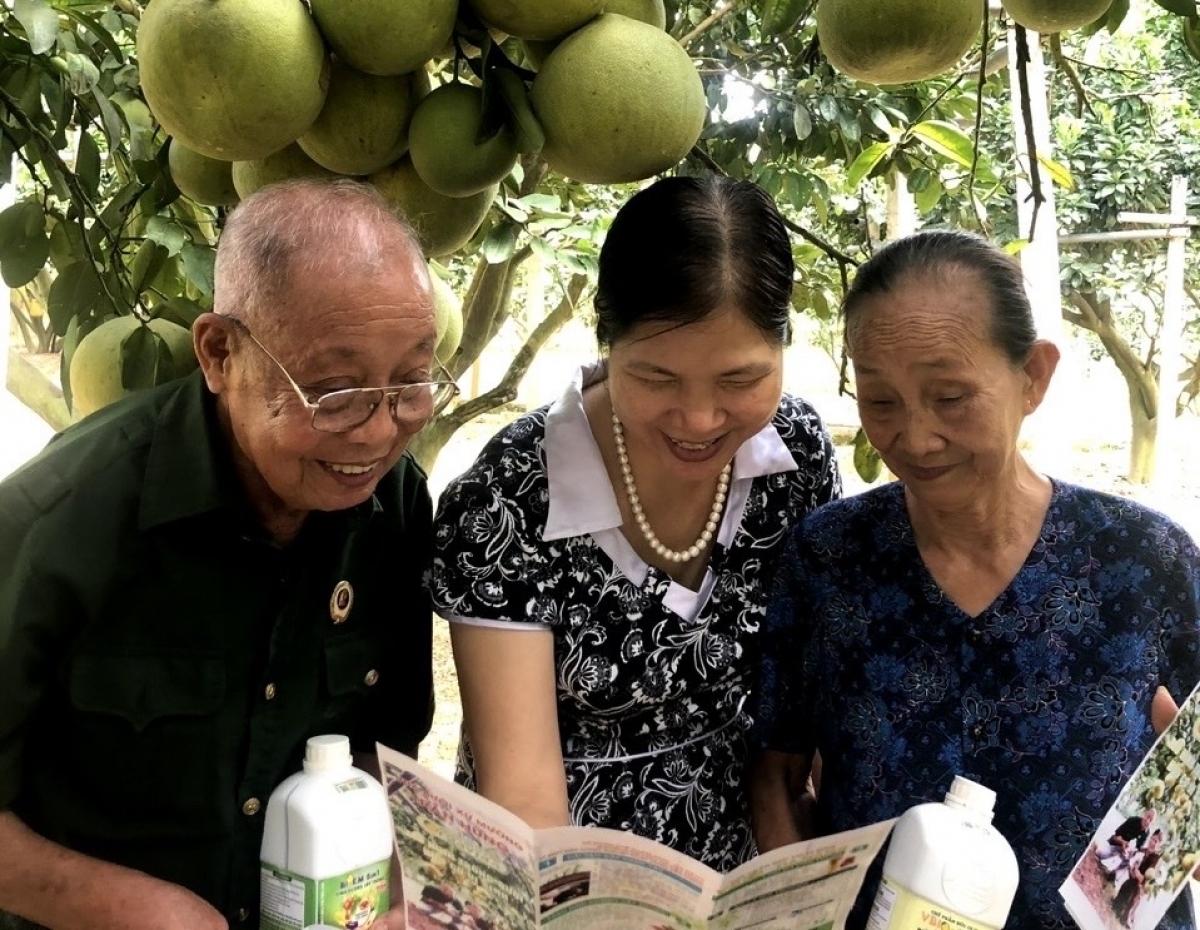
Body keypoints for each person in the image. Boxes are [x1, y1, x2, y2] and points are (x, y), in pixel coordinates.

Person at [0, 179, 452, 930]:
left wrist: (396, 887)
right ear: (219, 353)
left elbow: (387, 748)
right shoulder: (59, 521)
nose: (377, 435)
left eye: (410, 382)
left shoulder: (393, 506)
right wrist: (128, 907)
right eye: (335, 392)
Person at [751, 229, 1200, 928]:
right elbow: (778, 776)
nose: (916, 437)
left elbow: (1190, 776)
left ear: (1033, 377)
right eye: (881, 400)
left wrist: (1171, 831)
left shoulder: (1144, 562)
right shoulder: (829, 559)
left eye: (951, 397)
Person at [427, 175, 841, 870]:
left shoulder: (794, 458)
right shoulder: (510, 499)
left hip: (746, 874)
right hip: (560, 881)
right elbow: (523, 797)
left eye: (740, 381)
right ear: (605, 342)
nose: (700, 420)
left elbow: (811, 688)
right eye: (656, 378)